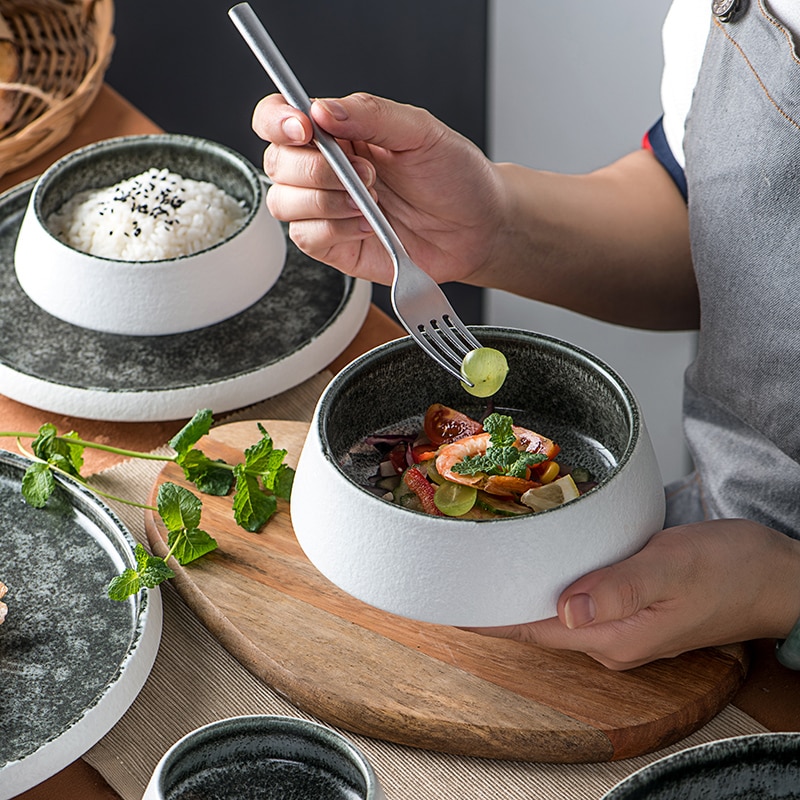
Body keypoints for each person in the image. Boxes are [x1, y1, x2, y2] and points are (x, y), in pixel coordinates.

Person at [251, 0, 800, 670]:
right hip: (699, 558)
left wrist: (781, 589)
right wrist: (494, 227)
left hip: (745, 595)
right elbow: (731, 239)